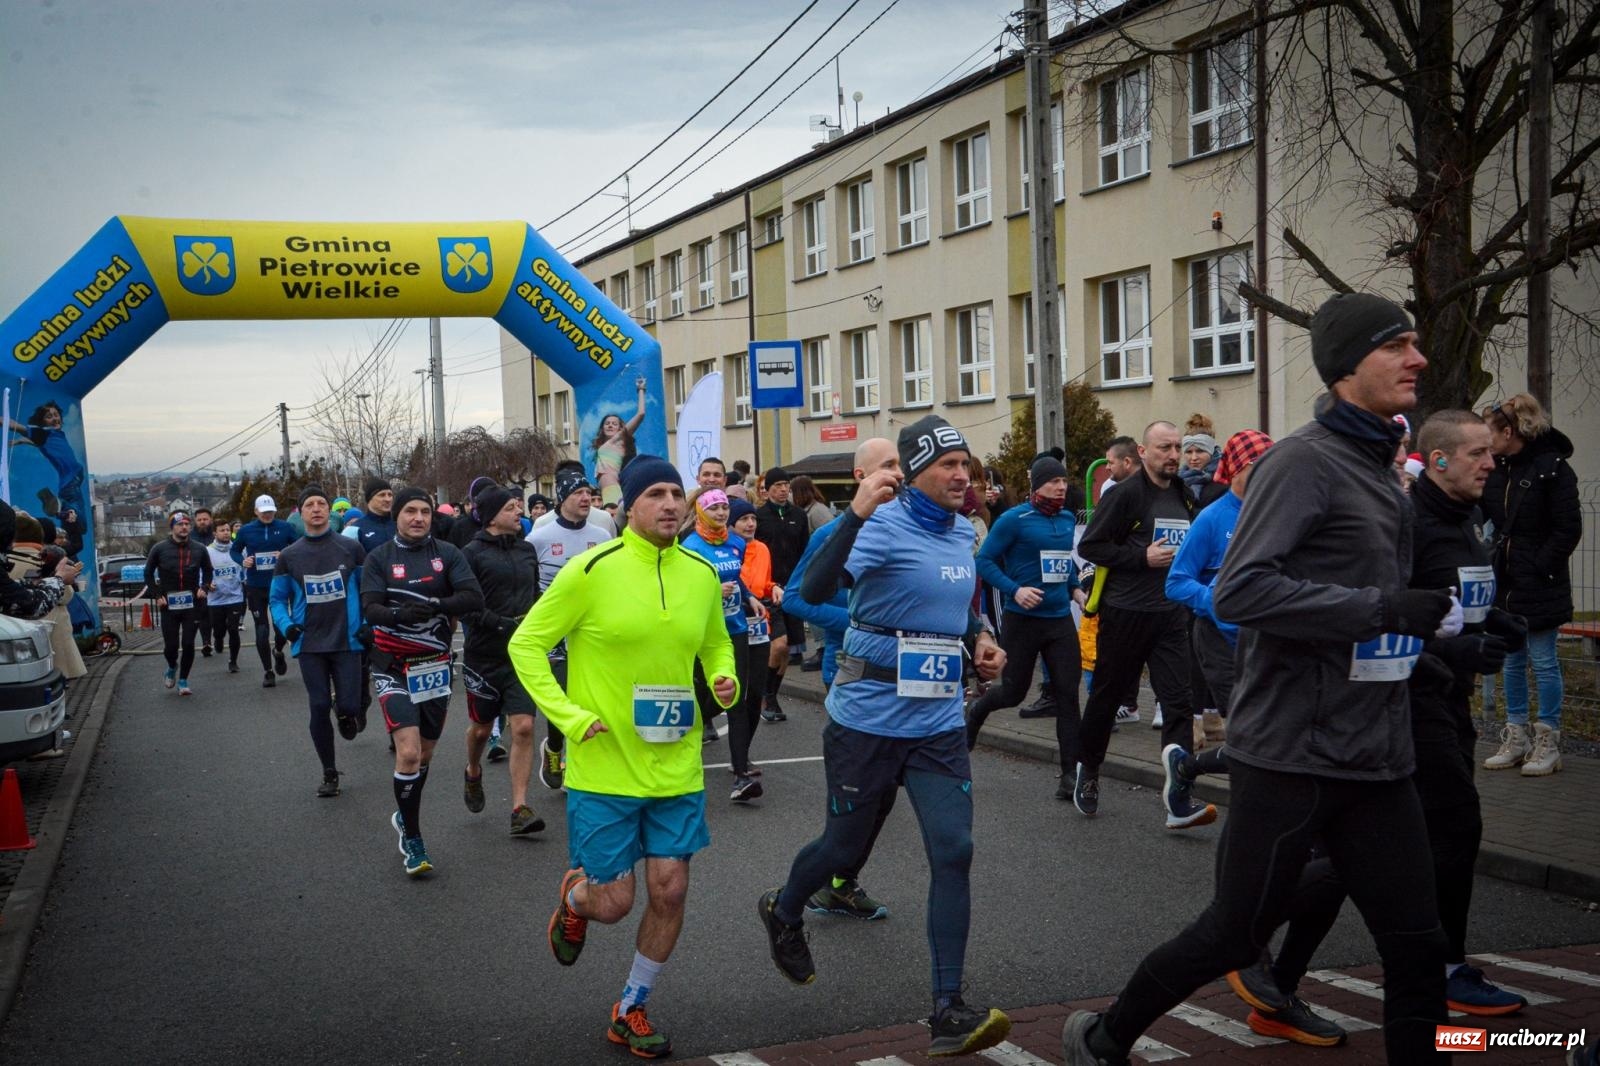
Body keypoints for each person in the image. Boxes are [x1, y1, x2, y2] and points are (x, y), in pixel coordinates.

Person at [1061, 290, 1456, 1065]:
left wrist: (1432, 651)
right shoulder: (1303, 461)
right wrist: (1382, 606)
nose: (1418, 358)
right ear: (1347, 368)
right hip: (1292, 755)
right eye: (1396, 346)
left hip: (1378, 751)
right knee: (1233, 932)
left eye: (1416, 343)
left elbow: (1368, 606)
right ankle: (1107, 1041)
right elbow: (1241, 590)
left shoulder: (1379, 468)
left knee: (1418, 944)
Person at [760, 415, 1011, 1059]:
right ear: (917, 471)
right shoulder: (877, 527)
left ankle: (948, 1008)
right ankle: (785, 910)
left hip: (937, 722)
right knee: (843, 847)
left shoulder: (962, 531)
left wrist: (980, 637)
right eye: (949, 466)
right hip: (867, 719)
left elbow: (959, 604)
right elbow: (807, 593)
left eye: (967, 466)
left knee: (954, 851)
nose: (964, 476)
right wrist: (853, 521)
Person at [509, 456, 740, 1061]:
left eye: (677, 493)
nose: (671, 504)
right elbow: (526, 645)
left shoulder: (698, 572)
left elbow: (716, 643)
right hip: (605, 764)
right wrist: (569, 717)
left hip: (677, 763)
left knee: (671, 889)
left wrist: (723, 679)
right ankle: (575, 898)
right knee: (614, 904)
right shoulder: (590, 570)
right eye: (656, 495)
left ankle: (631, 1007)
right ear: (630, 506)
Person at [782, 437, 900, 922]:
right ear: (860, 477)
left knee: (885, 795)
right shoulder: (833, 531)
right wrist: (854, 624)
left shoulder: (906, 525)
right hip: (849, 672)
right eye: (887, 466)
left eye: (901, 465)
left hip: (902, 681)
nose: (897, 474)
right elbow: (794, 598)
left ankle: (843, 884)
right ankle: (815, 887)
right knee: (858, 800)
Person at [1071, 421, 1199, 815]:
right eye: (1165, 447)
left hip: (1170, 615)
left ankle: (1178, 793)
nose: (1174, 455)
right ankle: (1089, 768)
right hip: (1125, 614)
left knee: (1179, 703)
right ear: (1143, 452)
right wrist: (1140, 558)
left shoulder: (1184, 495)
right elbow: (1091, 545)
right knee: (1107, 698)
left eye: (1177, 447)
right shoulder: (1126, 495)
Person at [361, 487, 485, 876]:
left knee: (425, 755)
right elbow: (370, 608)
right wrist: (399, 615)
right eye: (410, 511)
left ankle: (404, 812)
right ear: (397, 515)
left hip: (434, 667)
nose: (418, 518)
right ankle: (414, 838)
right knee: (409, 753)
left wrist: (436, 606)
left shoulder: (448, 555)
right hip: (392, 665)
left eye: (425, 512)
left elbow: (473, 597)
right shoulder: (380, 558)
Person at [966, 455, 1086, 801]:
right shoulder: (1013, 520)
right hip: (1022, 619)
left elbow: (1065, 565)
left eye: (1064, 481)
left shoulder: (1065, 520)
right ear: (1037, 485)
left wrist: (1075, 590)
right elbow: (984, 561)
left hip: (1059, 621)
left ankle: (1069, 775)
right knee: (1014, 692)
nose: (1061, 487)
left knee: (1068, 695)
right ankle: (978, 710)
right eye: (1053, 482)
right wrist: (1014, 588)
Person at [1479, 392, 1581, 776]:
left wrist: (1539, 567)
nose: (1488, 440)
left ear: (1510, 431)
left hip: (1540, 582)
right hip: (1506, 582)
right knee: (1511, 660)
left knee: (1543, 660)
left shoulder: (1552, 469)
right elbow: (1482, 509)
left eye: (1492, 431)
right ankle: (1516, 735)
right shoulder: (1497, 468)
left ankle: (1548, 739)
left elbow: (1567, 528)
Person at [270, 486, 369, 798]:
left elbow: (368, 591)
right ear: (301, 512)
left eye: (321, 504)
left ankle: (347, 712)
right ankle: (329, 771)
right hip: (310, 641)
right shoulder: (289, 556)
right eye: (309, 504)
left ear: (329, 510)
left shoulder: (350, 549)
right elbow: (276, 599)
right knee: (318, 705)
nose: (316, 509)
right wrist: (287, 627)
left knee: (351, 705)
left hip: (347, 640)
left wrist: (367, 624)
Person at [460, 484, 546, 834]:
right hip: (484, 653)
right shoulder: (471, 553)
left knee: (524, 727)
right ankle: (472, 771)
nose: (519, 513)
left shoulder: (527, 550)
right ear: (493, 515)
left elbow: (537, 593)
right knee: (481, 729)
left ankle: (520, 807)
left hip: (521, 654)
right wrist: (496, 623)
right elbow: (466, 603)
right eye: (512, 507)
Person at [527, 466, 616, 790]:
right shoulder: (538, 538)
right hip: (556, 633)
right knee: (563, 696)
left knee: (590, 697)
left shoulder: (603, 536)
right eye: (578, 493)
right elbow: (529, 587)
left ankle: (583, 762)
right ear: (562, 497)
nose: (586, 499)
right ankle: (553, 747)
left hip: (592, 630)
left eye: (588, 494)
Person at [681, 489, 766, 789]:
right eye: (714, 508)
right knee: (711, 698)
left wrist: (750, 597)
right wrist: (714, 592)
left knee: (737, 698)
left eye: (724, 508)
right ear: (702, 512)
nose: (720, 513)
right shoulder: (690, 546)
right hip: (704, 634)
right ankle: (683, 728)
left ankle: (740, 773)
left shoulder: (736, 543)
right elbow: (684, 590)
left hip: (736, 629)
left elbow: (737, 578)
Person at [755, 466, 809, 721]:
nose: (783, 489)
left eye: (786, 485)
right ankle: (765, 695)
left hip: (793, 589)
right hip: (768, 589)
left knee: (788, 650)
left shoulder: (798, 515)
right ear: (767, 490)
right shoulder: (758, 517)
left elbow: (805, 551)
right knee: (779, 645)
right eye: (777, 485)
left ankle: (772, 696)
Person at [231, 494, 298, 688]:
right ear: (256, 512)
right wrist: (242, 561)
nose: (267, 515)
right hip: (255, 585)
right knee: (261, 629)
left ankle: (278, 651)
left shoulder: (285, 527)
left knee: (280, 628)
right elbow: (234, 550)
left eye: (270, 512)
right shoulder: (246, 530)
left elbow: (298, 546)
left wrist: (285, 554)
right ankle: (268, 672)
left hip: (279, 585)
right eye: (264, 512)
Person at [730, 497, 773, 797]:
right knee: (736, 693)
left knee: (756, 692)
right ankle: (739, 762)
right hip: (732, 625)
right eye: (743, 519)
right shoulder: (727, 549)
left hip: (760, 622)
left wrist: (775, 588)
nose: (749, 524)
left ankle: (742, 752)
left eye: (753, 519)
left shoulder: (762, 549)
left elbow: (764, 583)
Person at [144, 511, 213, 695]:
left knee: (189, 643)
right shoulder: (159, 549)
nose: (184, 527)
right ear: (172, 527)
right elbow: (148, 573)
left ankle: (183, 680)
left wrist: (204, 587)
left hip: (192, 603)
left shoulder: (199, 548)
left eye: (186, 524)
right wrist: (157, 594)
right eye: (179, 524)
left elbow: (208, 570)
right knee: (171, 646)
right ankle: (172, 666)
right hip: (169, 604)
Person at [8, 401, 85, 518]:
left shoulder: (55, 435)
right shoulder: (43, 434)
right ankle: (60, 505)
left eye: (56, 415)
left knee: (75, 522)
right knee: (79, 519)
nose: (54, 419)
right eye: (49, 417)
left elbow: (43, 444)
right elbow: (15, 426)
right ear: (42, 422)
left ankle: (59, 509)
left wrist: (21, 441)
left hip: (72, 483)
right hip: (71, 483)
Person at [591, 376, 648, 507]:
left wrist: (641, 389)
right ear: (602, 428)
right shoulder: (604, 445)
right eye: (607, 423)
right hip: (605, 490)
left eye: (614, 424)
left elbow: (641, 414)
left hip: (612, 488)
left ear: (620, 429)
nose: (610, 425)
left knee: (614, 519)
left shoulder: (618, 440)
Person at [534, 461, 619, 537]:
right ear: (561, 491)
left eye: (587, 492)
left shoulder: (604, 519)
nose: (585, 498)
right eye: (577, 492)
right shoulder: (542, 523)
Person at [205, 520, 247, 673]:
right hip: (215, 599)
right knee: (219, 629)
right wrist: (206, 584)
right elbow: (201, 572)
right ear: (215, 533)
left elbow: (246, 566)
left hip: (235, 597)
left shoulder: (238, 550)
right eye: (222, 530)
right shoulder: (207, 551)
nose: (226, 533)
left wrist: (246, 579)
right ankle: (217, 638)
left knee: (233, 629)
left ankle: (233, 661)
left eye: (227, 530)